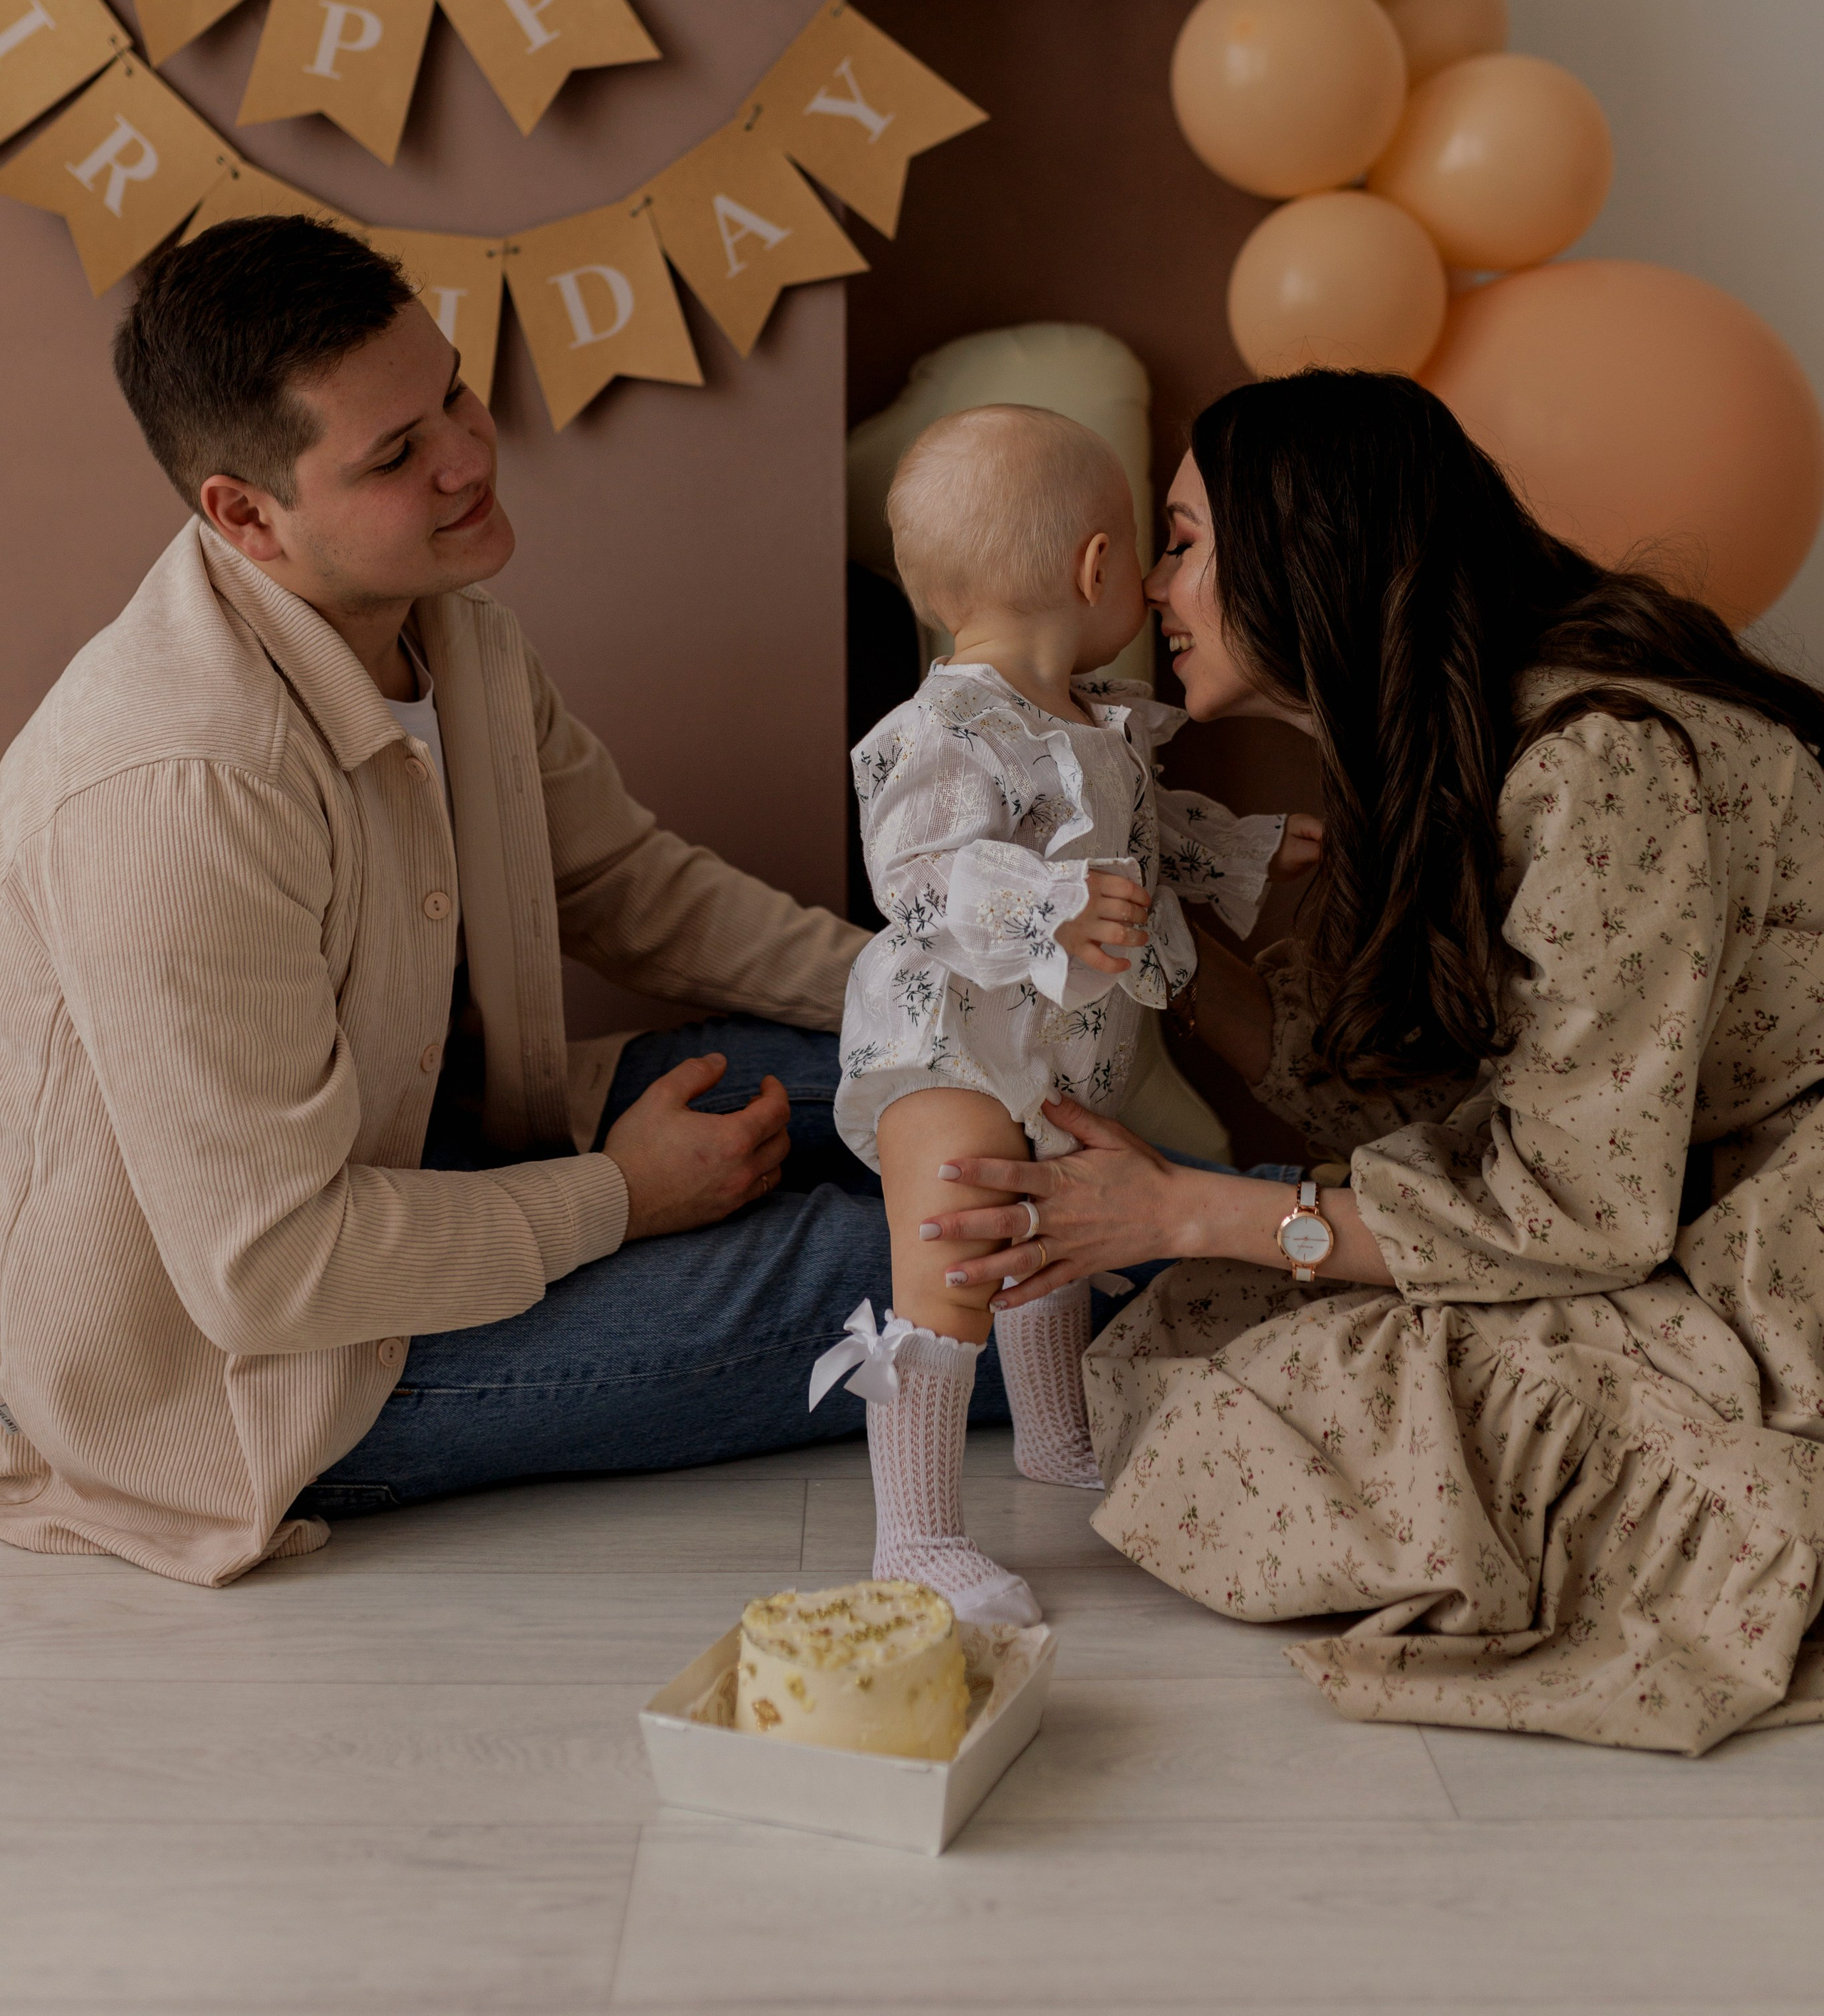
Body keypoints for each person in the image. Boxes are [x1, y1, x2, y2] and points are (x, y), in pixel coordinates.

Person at [0, 213, 1009, 1588]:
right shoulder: (181, 781)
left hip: (433, 1165)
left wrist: (938, 995)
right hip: (267, 1373)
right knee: (898, 1266)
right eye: (396, 455)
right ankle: (1298, 1261)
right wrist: (614, 1197)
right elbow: (270, 1270)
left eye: (455, 396)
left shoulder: (450, 623)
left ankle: (1260, 1216)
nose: (469, 456)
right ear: (244, 514)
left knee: (935, 1085)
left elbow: (628, 887)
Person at [920, 370, 1824, 1753]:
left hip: (1768, 1202)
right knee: (1206, 1329)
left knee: (1282, 1380)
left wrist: (1183, 1206)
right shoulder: (1437, 741)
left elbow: (1577, 1203)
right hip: (1654, 1175)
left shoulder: (1593, 759)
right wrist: (1133, 900)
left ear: (1297, 545)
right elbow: (1413, 1090)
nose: (1158, 588)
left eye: (1180, 539)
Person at [809, 405, 1319, 1625]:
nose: (1148, 579)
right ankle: (917, 1533)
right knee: (963, 1240)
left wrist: (1241, 847)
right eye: (1140, 550)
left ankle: (1055, 1437)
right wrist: (1045, 899)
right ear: (1096, 567)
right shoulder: (943, 726)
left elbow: (1136, 839)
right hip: (949, 1039)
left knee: (1048, 1232)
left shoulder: (1102, 719)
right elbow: (916, 872)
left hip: (1056, 1048)